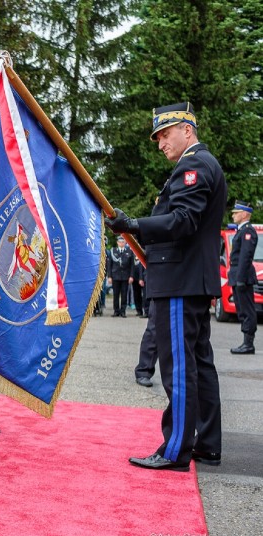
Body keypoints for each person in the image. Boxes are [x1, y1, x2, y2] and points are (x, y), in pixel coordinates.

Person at [107, 102, 226, 470]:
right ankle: (206, 442)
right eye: (157, 137)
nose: (160, 143)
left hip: (178, 279)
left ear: (187, 130)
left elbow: (183, 220)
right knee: (200, 364)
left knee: (179, 367)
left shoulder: (193, 165)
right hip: (188, 279)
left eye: (165, 133)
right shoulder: (200, 165)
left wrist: (135, 225)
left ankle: (175, 450)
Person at [228, 200, 257, 355]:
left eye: (236, 212)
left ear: (245, 214)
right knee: (241, 309)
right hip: (238, 275)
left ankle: (248, 343)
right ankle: (246, 341)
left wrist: (240, 278)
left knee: (247, 310)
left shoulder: (247, 231)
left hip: (243, 276)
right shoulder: (240, 231)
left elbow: (245, 257)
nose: (233, 215)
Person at [107, 236, 134, 317]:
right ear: (117, 242)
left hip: (125, 276)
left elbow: (132, 265)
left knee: (124, 294)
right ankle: (116, 311)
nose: (121, 243)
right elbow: (109, 265)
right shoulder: (113, 251)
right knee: (116, 294)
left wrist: (131, 276)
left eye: (123, 242)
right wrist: (109, 276)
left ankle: (123, 311)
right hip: (115, 276)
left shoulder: (129, 251)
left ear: (125, 243)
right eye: (120, 242)